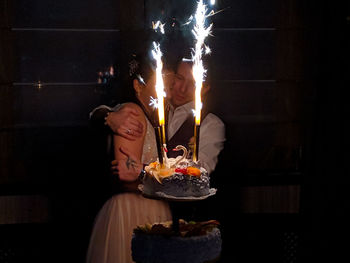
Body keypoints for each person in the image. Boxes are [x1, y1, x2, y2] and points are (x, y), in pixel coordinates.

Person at [86, 53, 173, 263]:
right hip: (132, 213)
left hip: (152, 210)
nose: (166, 92)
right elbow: (127, 176)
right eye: (161, 84)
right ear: (138, 86)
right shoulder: (132, 113)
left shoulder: (154, 117)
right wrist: (169, 182)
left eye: (168, 86)